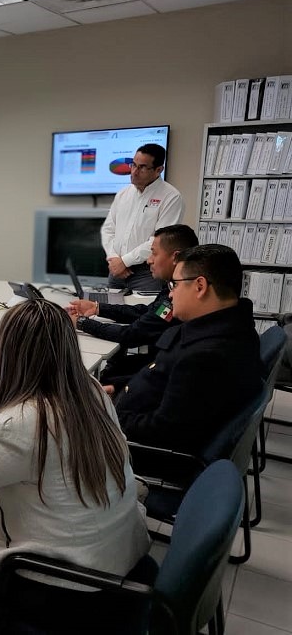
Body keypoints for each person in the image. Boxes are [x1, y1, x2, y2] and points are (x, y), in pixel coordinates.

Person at [0, 299, 150, 630]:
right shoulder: (91, 391)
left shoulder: (23, 424)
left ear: (9, 354)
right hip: (119, 556)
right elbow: (50, 438)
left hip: (72, 590)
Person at [115, 244, 263, 455]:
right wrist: (118, 387)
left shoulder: (205, 357)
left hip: (135, 451)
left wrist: (110, 415)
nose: (171, 294)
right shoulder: (231, 328)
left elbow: (162, 432)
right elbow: (163, 376)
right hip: (132, 409)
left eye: (174, 285)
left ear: (200, 286)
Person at [67, 224, 199, 387]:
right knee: (113, 366)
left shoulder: (175, 298)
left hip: (160, 370)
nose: (149, 259)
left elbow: (132, 335)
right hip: (160, 362)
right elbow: (147, 313)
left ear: (175, 257)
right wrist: (97, 308)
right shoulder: (171, 289)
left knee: (104, 375)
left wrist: (81, 323)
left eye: (154, 253)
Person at [101, 143, 183, 292]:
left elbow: (160, 241)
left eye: (142, 167)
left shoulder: (171, 197)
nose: (134, 172)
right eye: (133, 165)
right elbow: (108, 229)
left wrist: (125, 261)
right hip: (116, 270)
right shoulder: (123, 194)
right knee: (109, 312)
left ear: (159, 170)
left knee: (143, 314)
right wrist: (114, 259)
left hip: (147, 272)